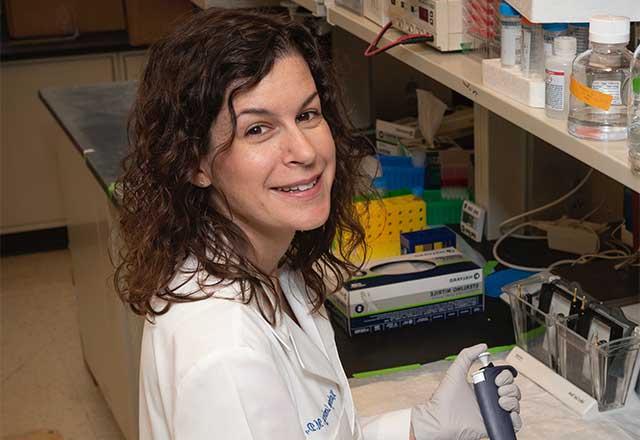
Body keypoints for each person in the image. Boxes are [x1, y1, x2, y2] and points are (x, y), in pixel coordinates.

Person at [115, 8, 522, 440]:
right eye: (258, 129)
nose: (304, 151)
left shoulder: (273, 262)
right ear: (196, 163)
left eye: (307, 115)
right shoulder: (226, 355)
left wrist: (419, 429)